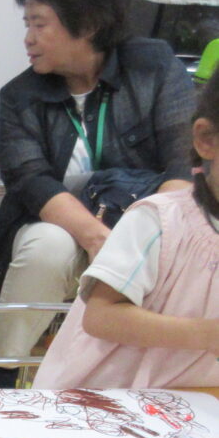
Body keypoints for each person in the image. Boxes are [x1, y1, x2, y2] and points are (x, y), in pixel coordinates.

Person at [0, 0, 196, 388]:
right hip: (62, 225)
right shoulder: (19, 96)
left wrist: (152, 237)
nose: (28, 38)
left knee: (166, 258)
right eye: (27, 24)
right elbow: (31, 180)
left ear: (87, 23)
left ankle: (125, 384)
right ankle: (4, 373)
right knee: (47, 247)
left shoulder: (153, 67)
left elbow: (183, 161)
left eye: (39, 24)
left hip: (143, 225)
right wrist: (99, 237)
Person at [32, 72, 219, 390]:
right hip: (102, 398)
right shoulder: (160, 222)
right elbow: (101, 316)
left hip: (194, 404)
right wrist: (205, 334)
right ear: (206, 139)